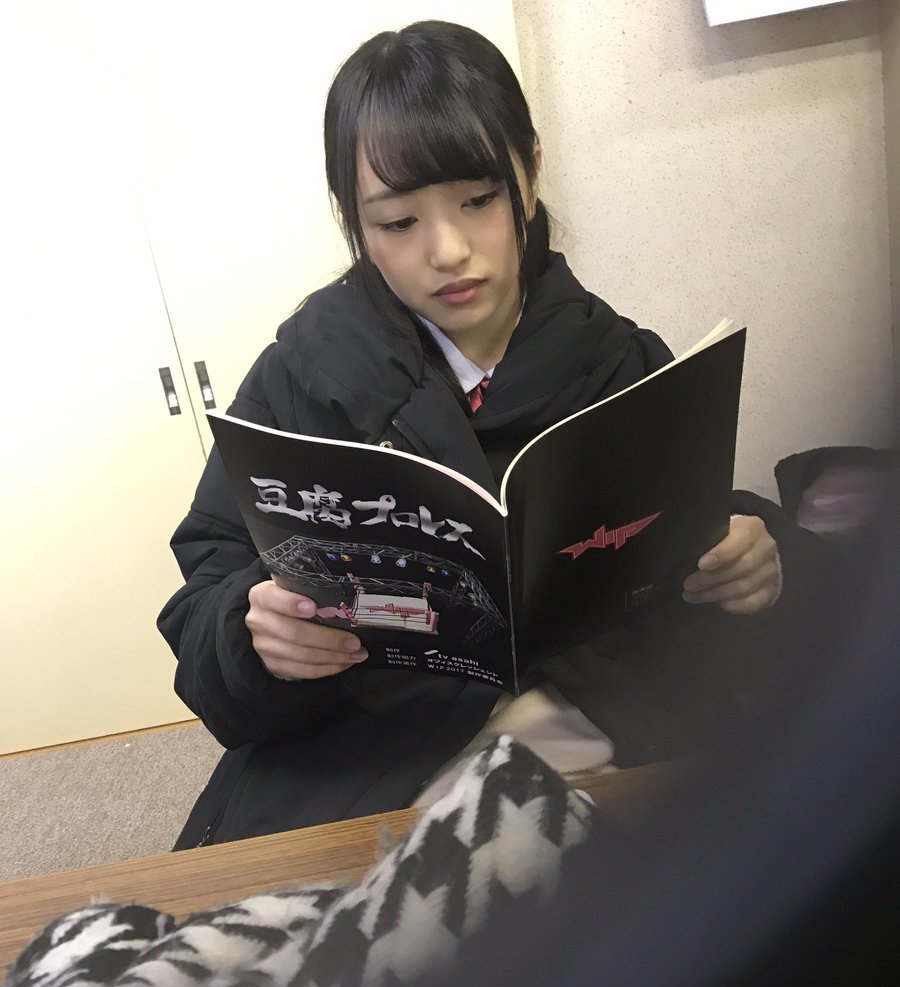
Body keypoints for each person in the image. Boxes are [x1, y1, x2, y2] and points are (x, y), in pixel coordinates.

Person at [158, 20, 823, 849]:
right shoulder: (297, 377)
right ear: (354, 221)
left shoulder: (625, 363)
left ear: (529, 174)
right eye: (398, 223)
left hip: (596, 750)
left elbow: (697, 572)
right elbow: (206, 592)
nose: (447, 250)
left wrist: (752, 571)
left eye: (478, 201)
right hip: (374, 765)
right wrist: (251, 633)